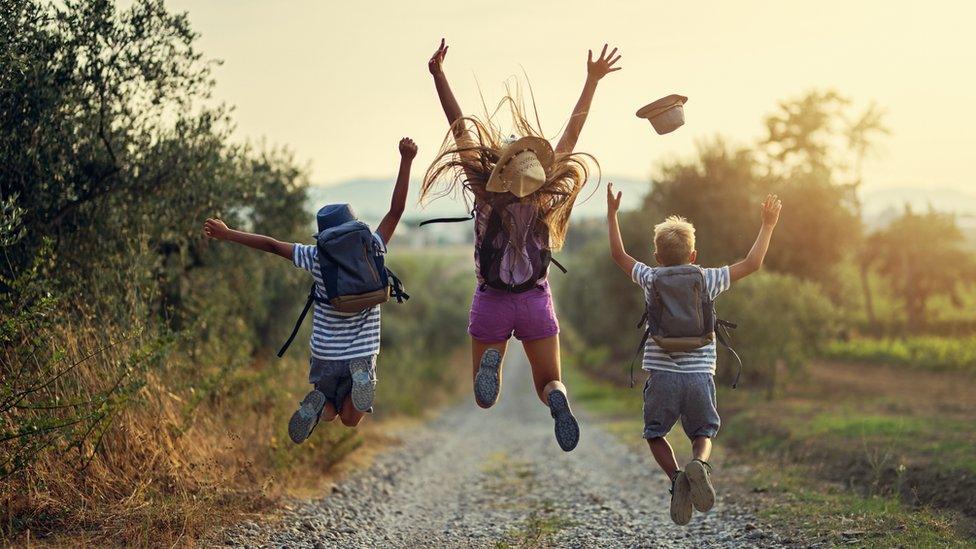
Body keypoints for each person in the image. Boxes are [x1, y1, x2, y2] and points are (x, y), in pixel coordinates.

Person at [422, 39, 621, 452]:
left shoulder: (485, 195)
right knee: (548, 380)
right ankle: (558, 399)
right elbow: (573, 130)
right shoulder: (545, 194)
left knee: (482, 397)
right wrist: (592, 81)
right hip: (535, 301)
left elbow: (460, 128)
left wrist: (439, 76)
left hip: (492, 298)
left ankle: (492, 368)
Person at [202, 137, 418, 443]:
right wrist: (406, 160)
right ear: (354, 227)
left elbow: (272, 245)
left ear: (324, 236)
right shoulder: (372, 247)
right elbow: (396, 211)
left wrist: (227, 234)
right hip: (362, 350)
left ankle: (318, 405)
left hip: (325, 353)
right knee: (351, 420)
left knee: (329, 407)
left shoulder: (315, 257)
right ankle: (357, 378)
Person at [606, 182, 782, 524]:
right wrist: (768, 224)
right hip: (700, 376)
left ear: (657, 256)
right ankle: (698, 463)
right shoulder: (708, 278)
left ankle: (676, 478)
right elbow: (753, 262)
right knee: (704, 432)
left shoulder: (650, 277)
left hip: (662, 377)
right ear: (693, 256)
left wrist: (613, 214)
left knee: (655, 433)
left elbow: (618, 255)